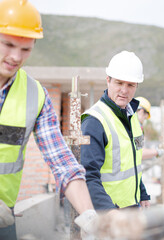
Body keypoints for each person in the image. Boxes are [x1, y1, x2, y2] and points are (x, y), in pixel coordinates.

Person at [0, 0, 97, 239]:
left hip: (4, 219)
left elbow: (62, 162)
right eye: (8, 44)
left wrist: (90, 217)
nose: (15, 57)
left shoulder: (35, 95)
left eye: (25, 49)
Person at [81, 51, 151, 210]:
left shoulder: (132, 117)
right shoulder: (95, 121)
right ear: (108, 80)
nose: (124, 91)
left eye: (130, 85)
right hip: (108, 212)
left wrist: (142, 191)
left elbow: (131, 162)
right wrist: (109, 213)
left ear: (136, 86)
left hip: (132, 206)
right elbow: (89, 176)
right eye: (119, 83)